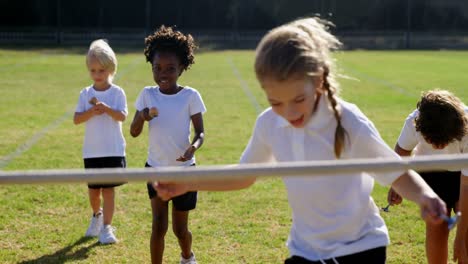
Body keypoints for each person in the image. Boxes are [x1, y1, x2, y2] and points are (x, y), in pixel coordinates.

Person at [154, 17, 447, 264]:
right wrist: (187, 182)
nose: (289, 113)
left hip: (361, 249)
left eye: (298, 99)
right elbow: (243, 176)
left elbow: (395, 170)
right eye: (276, 102)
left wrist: (426, 197)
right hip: (305, 251)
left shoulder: (347, 121)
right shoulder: (269, 123)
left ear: (318, 80)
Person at [130, 25, 206, 264]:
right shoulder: (147, 94)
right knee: (158, 227)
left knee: (180, 229)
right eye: (157, 68)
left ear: (182, 68)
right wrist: (142, 116)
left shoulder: (191, 96)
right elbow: (133, 132)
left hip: (184, 172)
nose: (163, 73)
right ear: (151, 67)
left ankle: (187, 256)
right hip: (156, 169)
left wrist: (193, 147)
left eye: (170, 68)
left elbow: (201, 132)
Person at [386, 90, 468, 264]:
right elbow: (402, 151)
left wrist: (460, 239)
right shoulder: (414, 121)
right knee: (436, 225)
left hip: (463, 176)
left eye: (444, 142)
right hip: (431, 173)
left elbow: (466, 185)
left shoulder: (467, 128)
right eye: (432, 141)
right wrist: (396, 184)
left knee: (466, 234)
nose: (438, 146)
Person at [73, 39, 127, 244]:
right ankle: (97, 215)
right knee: (94, 191)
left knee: (109, 189)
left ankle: (107, 228)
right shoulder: (85, 93)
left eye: (102, 70)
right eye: (93, 70)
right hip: (92, 151)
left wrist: (107, 109)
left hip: (113, 149)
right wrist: (90, 112)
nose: (97, 75)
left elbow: (122, 116)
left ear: (111, 68)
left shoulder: (117, 92)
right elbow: (77, 119)